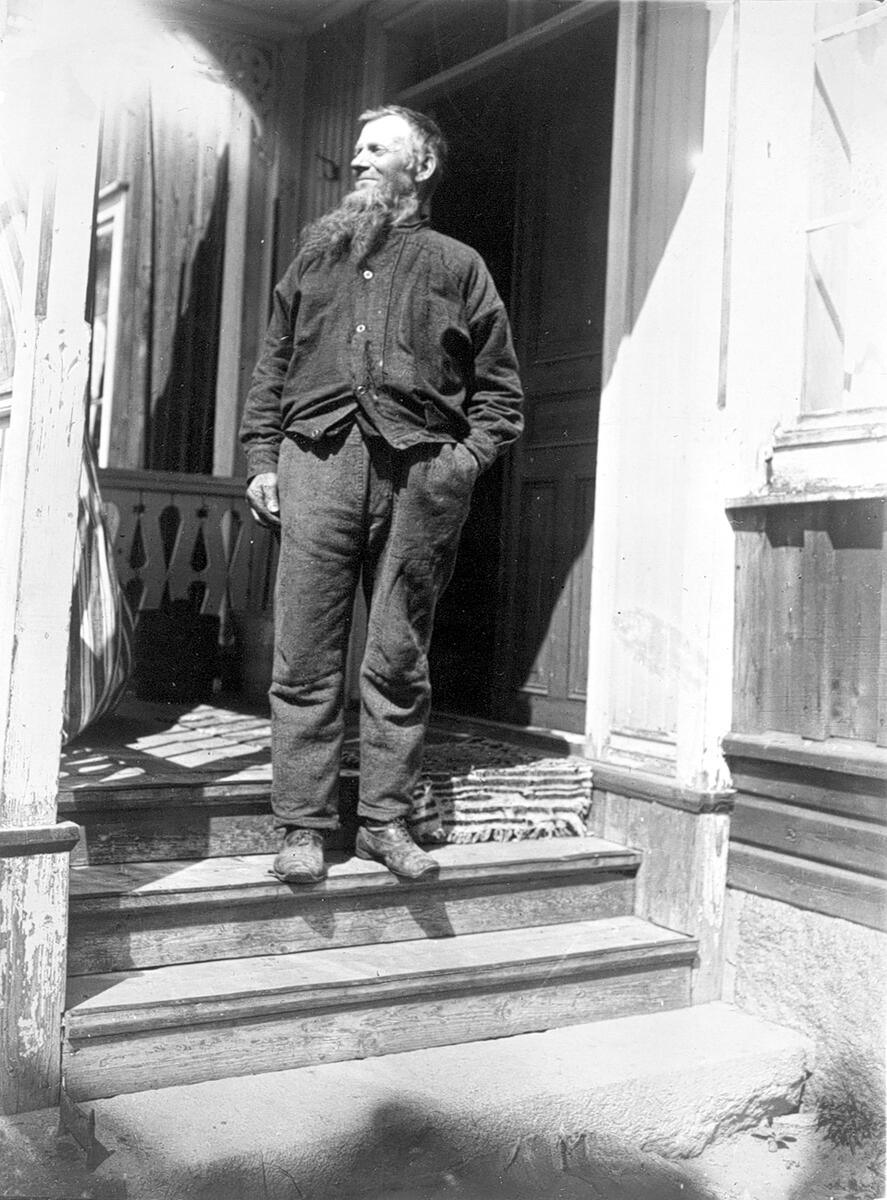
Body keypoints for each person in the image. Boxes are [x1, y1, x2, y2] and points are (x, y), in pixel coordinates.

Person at [239, 105, 523, 884]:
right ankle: (302, 827)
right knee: (305, 656)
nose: (358, 160)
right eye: (356, 148)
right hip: (317, 463)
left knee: (398, 657)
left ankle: (384, 823)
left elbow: (500, 396)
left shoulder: (458, 266)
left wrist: (460, 464)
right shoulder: (314, 260)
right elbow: (272, 368)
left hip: (420, 477)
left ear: (420, 167)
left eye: (376, 149)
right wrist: (263, 457)